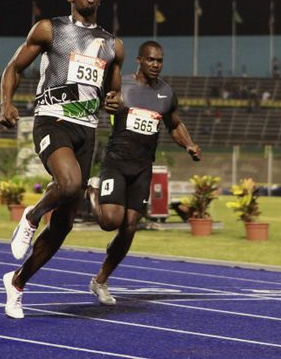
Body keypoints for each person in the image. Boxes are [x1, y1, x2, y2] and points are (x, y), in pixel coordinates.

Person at [0, 0, 124, 319]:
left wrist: (115, 100)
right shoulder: (49, 29)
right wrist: (5, 103)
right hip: (52, 121)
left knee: (64, 225)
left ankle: (18, 282)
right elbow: (14, 67)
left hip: (87, 131)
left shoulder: (112, 45)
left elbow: (113, 93)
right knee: (68, 184)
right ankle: (30, 215)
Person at [86, 41, 201, 305]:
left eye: (160, 61)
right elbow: (106, 103)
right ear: (139, 60)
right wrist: (107, 105)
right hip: (116, 161)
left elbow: (175, 125)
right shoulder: (122, 86)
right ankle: (92, 190)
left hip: (142, 168)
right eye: (151, 60)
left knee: (129, 228)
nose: (156, 65)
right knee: (110, 222)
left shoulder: (166, 94)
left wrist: (190, 145)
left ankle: (100, 281)